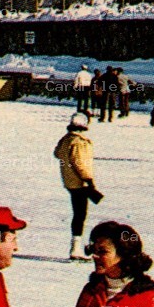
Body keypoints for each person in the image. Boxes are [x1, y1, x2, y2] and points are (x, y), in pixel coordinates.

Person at [53, 112, 101, 261]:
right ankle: (76, 248)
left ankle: (76, 246)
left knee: (78, 213)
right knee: (80, 215)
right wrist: (88, 179)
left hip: (69, 182)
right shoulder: (79, 142)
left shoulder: (65, 140)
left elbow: (57, 153)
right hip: (79, 182)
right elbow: (80, 163)